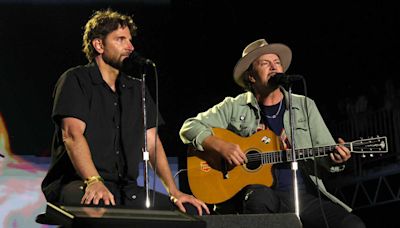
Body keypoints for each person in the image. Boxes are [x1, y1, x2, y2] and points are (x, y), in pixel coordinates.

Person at [179, 38, 365, 227]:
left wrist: (335, 159)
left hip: (301, 195)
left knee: (352, 224)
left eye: (277, 63)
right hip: (258, 195)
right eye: (266, 63)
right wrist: (221, 146)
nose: (274, 67)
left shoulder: (304, 106)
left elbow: (324, 153)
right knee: (258, 198)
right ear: (251, 76)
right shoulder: (234, 107)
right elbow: (189, 127)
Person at [41, 8, 209, 216]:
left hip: (125, 189)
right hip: (79, 182)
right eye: (120, 39)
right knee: (101, 206)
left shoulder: (136, 88)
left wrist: (174, 192)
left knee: (187, 211)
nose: (130, 47)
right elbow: (72, 134)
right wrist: (94, 181)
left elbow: (152, 143)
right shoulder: (76, 80)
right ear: (99, 45)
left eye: (129, 40)